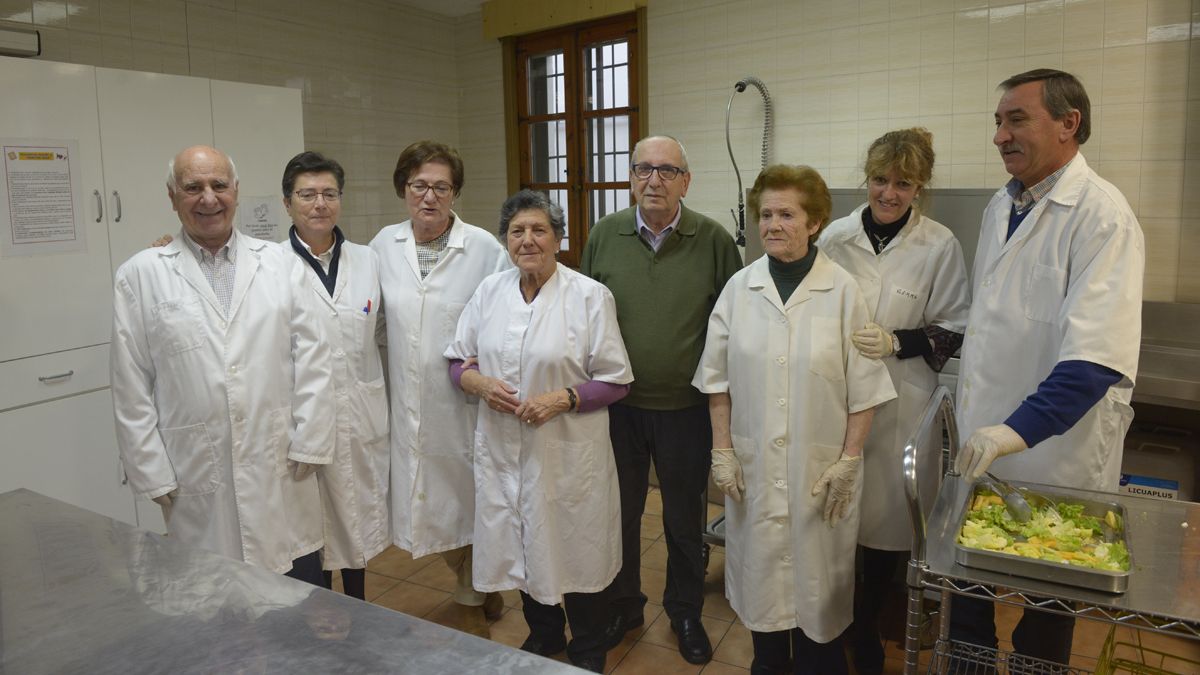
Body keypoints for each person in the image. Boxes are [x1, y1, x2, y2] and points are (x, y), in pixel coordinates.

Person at [951, 69, 1144, 666]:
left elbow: (1093, 362)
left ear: (1069, 124)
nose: (1000, 136)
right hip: (986, 436)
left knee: (1046, 610)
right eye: (998, 122)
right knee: (967, 592)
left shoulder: (1101, 216)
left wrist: (1011, 432)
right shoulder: (998, 205)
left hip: (1055, 448)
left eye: (1016, 119)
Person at [695, 164, 897, 674]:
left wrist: (850, 459)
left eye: (787, 213)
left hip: (820, 474)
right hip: (754, 468)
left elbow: (865, 390)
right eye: (766, 214)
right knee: (764, 613)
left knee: (819, 617)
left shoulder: (843, 291)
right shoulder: (740, 290)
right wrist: (722, 450)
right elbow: (716, 380)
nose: (773, 224)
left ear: (815, 223)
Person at [111, 145, 332, 585]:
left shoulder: (282, 265)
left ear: (236, 191)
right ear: (172, 197)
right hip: (196, 471)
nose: (208, 198)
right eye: (192, 187)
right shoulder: (141, 275)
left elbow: (314, 357)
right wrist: (152, 472)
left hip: (280, 466)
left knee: (293, 603)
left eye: (218, 185)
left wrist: (310, 439)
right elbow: (130, 383)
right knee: (213, 608)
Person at [446, 190, 633, 673]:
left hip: (568, 451)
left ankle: (588, 646)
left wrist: (562, 399)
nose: (527, 240)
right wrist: (480, 383)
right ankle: (545, 634)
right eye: (517, 231)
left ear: (557, 238)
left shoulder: (590, 296)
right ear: (506, 240)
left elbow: (616, 379)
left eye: (539, 230)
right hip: (505, 451)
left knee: (576, 548)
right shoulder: (491, 292)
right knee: (520, 543)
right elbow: (456, 360)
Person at [580, 135, 742, 665]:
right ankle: (623, 604)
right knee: (618, 514)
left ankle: (685, 610)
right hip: (617, 408)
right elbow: (584, 318)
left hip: (686, 410)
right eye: (644, 169)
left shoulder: (714, 240)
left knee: (682, 519)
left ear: (685, 182)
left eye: (667, 171)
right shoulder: (604, 236)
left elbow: (730, 329)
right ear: (630, 176)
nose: (654, 180)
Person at [817, 128, 970, 673]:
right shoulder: (834, 237)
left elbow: (953, 327)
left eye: (903, 184)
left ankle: (867, 632)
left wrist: (897, 341)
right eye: (880, 180)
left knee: (886, 526)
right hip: (835, 399)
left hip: (902, 403)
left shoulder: (939, 245)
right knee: (833, 519)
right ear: (867, 179)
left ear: (920, 187)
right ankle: (828, 628)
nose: (888, 193)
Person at [369, 141, 509, 634]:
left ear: (455, 193)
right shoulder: (382, 245)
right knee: (427, 505)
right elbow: (368, 314)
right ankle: (479, 583)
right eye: (419, 186)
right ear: (404, 189)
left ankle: (472, 596)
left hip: (464, 405)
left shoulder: (485, 250)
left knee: (469, 502)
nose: (429, 197)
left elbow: (502, 322)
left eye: (441, 187)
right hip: (404, 403)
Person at [280, 151, 389, 600]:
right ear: (288, 203)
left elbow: (382, 329)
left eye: (329, 194)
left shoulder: (369, 260)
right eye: (307, 194)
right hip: (301, 418)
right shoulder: (267, 264)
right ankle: (320, 611)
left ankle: (360, 606)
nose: (319, 204)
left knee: (356, 520)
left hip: (359, 411)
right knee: (313, 525)